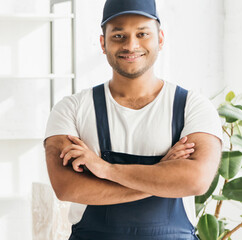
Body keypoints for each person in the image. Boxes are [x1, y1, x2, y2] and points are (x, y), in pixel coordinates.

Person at [44, 0, 222, 239]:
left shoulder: (193, 107)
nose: (131, 45)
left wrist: (105, 169)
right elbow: (67, 188)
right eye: (118, 35)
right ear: (103, 43)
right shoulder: (71, 109)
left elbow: (196, 181)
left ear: (159, 39)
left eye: (142, 34)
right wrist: (162, 175)